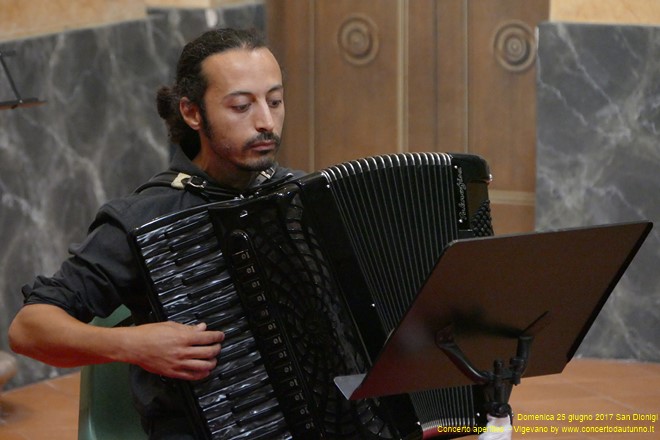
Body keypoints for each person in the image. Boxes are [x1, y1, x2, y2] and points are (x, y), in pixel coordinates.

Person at [8, 28, 304, 438]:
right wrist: (133, 346)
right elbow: (28, 329)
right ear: (192, 113)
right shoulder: (145, 218)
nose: (266, 122)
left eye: (275, 101)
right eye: (241, 106)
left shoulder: (303, 197)